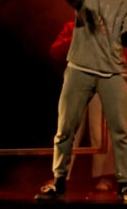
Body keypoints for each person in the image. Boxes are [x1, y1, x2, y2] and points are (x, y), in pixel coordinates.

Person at [35, 0, 127, 203]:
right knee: (65, 128)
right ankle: (59, 181)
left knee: (120, 130)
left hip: (112, 72)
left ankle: (124, 184)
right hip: (80, 68)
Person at [50, 20, 116, 188]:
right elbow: (55, 50)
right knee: (69, 128)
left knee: (99, 131)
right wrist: (75, 37)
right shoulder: (72, 26)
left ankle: (103, 176)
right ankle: (61, 175)